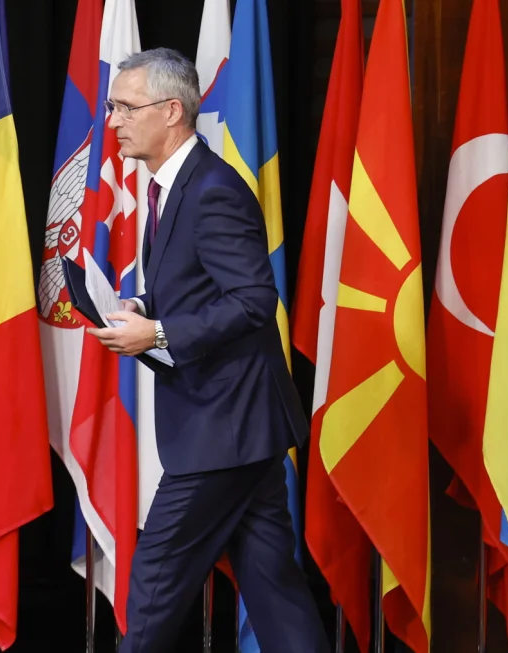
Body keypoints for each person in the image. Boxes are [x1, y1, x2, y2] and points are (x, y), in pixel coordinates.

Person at [85, 48, 330, 653]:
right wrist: (146, 309)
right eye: (112, 106)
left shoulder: (213, 189)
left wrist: (161, 334)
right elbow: (197, 283)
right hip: (235, 426)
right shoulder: (170, 186)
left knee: (155, 580)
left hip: (223, 427)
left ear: (172, 111)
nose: (112, 119)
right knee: (275, 591)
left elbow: (252, 299)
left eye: (124, 107)